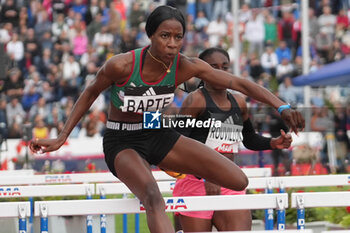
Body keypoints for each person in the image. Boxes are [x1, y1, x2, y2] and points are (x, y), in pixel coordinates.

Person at [30, 6, 304, 233]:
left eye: (178, 37)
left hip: (157, 134)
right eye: (164, 36)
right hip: (122, 139)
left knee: (238, 181)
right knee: (152, 197)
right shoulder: (121, 65)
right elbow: (89, 93)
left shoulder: (185, 66)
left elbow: (237, 82)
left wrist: (282, 107)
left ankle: (185, 176)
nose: (172, 44)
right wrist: (62, 136)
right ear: (150, 35)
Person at [172, 47, 293, 232]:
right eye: (213, 67)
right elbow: (179, 145)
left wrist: (272, 142)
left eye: (224, 66)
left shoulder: (239, 102)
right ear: (202, 71)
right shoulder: (195, 100)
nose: (220, 71)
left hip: (229, 179)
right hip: (196, 183)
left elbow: (249, 138)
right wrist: (207, 176)